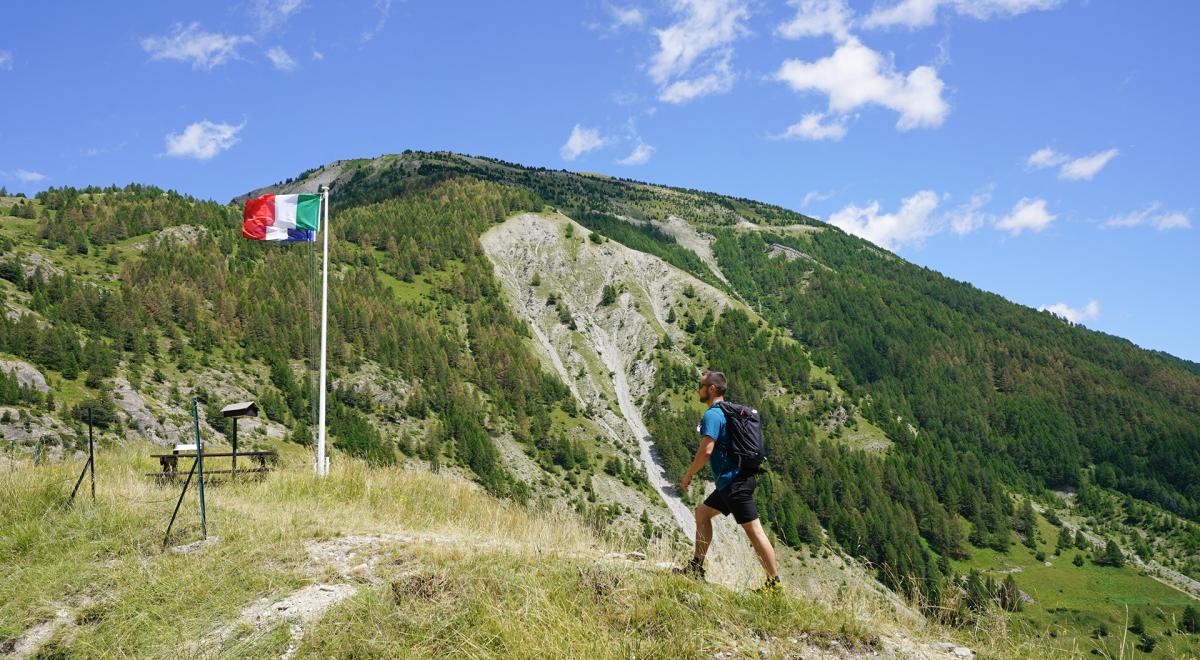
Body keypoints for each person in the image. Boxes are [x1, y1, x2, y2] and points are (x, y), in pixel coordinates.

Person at [675, 370, 781, 593]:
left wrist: (689, 474)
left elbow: (706, 450)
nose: (698, 389)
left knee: (755, 532)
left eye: (701, 385)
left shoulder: (713, 415)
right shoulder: (726, 412)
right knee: (702, 514)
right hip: (731, 483)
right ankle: (696, 567)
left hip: (736, 484)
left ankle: (774, 585)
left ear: (712, 389)